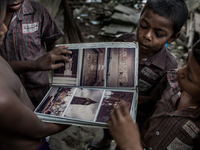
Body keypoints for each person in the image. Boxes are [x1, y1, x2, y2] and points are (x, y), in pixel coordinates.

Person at [85, 0, 188, 149]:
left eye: (158, 34)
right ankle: (106, 141)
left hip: (137, 117)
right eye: (143, 26)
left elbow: (157, 100)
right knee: (108, 124)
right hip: (110, 102)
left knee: (124, 142)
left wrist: (130, 98)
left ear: (173, 38)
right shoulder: (122, 41)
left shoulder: (168, 66)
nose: (147, 35)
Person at [0, 1, 71, 150]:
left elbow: (53, 45)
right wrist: (81, 115)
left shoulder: (37, 11)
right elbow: (40, 129)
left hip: (39, 91)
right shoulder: (4, 100)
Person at [108, 39, 200, 150]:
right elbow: (156, 105)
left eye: (190, 77)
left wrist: (131, 145)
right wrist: (144, 129)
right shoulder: (172, 81)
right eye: (186, 62)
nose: (180, 71)